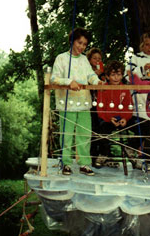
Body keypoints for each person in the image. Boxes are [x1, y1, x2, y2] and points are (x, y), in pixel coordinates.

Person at [51, 27, 103, 176]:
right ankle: (66, 163)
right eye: (79, 42)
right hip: (67, 104)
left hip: (84, 104)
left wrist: (98, 82)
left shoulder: (84, 61)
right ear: (72, 41)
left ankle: (85, 164)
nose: (81, 46)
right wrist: (69, 82)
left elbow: (91, 76)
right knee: (66, 135)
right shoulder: (61, 58)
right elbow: (54, 78)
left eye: (85, 44)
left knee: (84, 135)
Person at [125, 32, 150, 166]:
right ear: (142, 45)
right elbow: (128, 74)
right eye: (147, 44)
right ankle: (138, 155)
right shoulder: (136, 58)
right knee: (141, 124)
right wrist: (142, 69)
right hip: (140, 96)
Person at [96, 60, 133, 168]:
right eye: (113, 75)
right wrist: (109, 118)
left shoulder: (125, 89)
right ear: (107, 76)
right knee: (102, 128)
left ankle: (130, 149)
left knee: (143, 125)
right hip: (109, 119)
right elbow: (100, 109)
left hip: (123, 119)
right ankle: (104, 154)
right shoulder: (103, 89)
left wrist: (125, 118)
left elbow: (129, 106)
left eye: (119, 74)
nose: (116, 77)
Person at [86, 47, 105, 167]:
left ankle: (103, 155)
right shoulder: (86, 71)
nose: (97, 60)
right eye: (94, 58)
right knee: (92, 130)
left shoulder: (103, 72)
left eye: (99, 58)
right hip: (89, 104)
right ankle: (92, 156)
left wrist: (100, 76)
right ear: (89, 59)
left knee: (101, 128)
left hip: (102, 105)